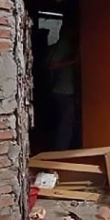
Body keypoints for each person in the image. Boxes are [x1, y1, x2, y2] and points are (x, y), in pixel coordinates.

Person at [47, 19, 78, 151]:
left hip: (66, 91)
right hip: (63, 92)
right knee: (65, 126)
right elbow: (52, 65)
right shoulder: (64, 44)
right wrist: (73, 61)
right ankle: (60, 154)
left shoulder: (69, 44)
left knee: (67, 125)